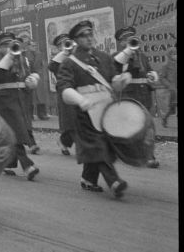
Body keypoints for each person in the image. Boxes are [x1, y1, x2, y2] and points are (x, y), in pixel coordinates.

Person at [56, 20, 132, 198]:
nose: (89, 38)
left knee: (101, 142)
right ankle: (114, 181)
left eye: (90, 34)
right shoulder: (70, 62)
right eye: (84, 35)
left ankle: (88, 179)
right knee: (97, 144)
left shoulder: (104, 57)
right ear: (75, 39)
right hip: (85, 111)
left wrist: (122, 80)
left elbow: (113, 80)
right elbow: (64, 87)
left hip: (105, 107)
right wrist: (80, 100)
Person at [0, 33, 41, 180]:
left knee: (19, 131)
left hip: (21, 99)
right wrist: (9, 57)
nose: (8, 48)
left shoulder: (21, 59)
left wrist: (32, 79)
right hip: (5, 102)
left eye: (10, 44)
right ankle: (27, 165)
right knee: (16, 133)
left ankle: (8, 162)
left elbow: (29, 75)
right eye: (4, 45)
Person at [113, 26, 159, 168]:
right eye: (126, 39)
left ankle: (148, 154)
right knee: (134, 128)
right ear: (120, 42)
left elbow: (149, 70)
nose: (130, 41)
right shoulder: (119, 57)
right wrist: (128, 53)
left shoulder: (142, 56)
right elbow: (117, 69)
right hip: (129, 97)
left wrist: (152, 75)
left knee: (148, 127)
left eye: (131, 38)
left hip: (144, 95)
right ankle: (140, 155)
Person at [48, 34, 77, 156]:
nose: (65, 45)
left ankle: (63, 141)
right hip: (65, 91)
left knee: (78, 119)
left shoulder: (76, 55)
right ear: (58, 47)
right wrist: (65, 53)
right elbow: (52, 67)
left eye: (67, 42)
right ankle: (70, 143)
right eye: (62, 44)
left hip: (78, 90)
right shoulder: (57, 59)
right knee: (70, 120)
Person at [159, 46, 177, 128]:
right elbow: (162, 77)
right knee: (172, 108)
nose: (175, 55)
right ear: (169, 55)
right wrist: (169, 85)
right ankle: (164, 119)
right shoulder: (165, 65)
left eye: (175, 53)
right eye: (173, 54)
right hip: (173, 89)